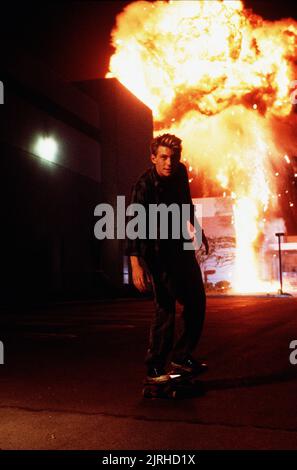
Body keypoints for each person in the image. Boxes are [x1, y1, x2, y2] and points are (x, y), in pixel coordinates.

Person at [126, 133, 209, 383]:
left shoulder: (180, 173)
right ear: (153, 158)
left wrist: (198, 230)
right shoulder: (143, 186)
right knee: (166, 306)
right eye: (163, 157)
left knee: (197, 300)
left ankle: (181, 357)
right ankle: (154, 366)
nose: (169, 163)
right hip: (156, 250)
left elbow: (186, 203)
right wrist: (136, 264)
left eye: (173, 157)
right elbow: (133, 225)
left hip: (178, 243)